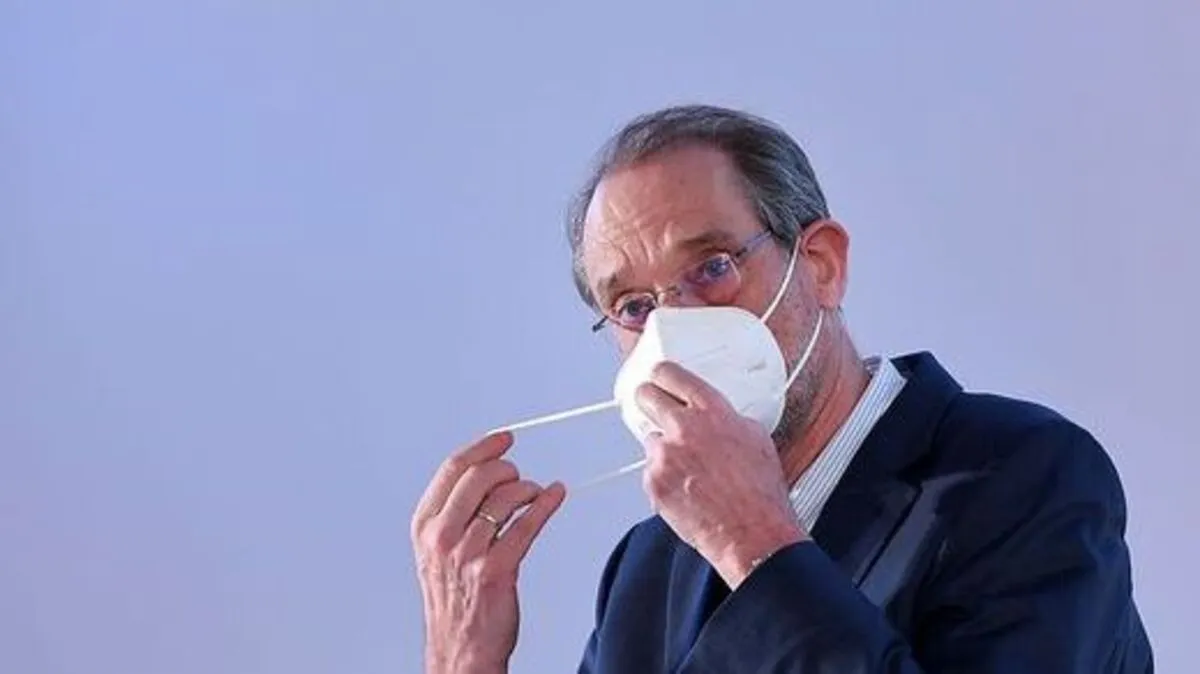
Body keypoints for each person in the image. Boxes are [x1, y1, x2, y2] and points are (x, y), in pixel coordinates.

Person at [410, 104, 1154, 673]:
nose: (673, 328)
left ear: (822, 265)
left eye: (712, 268)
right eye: (633, 306)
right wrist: (463, 660)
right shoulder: (650, 567)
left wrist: (756, 544)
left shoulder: (1025, 473)